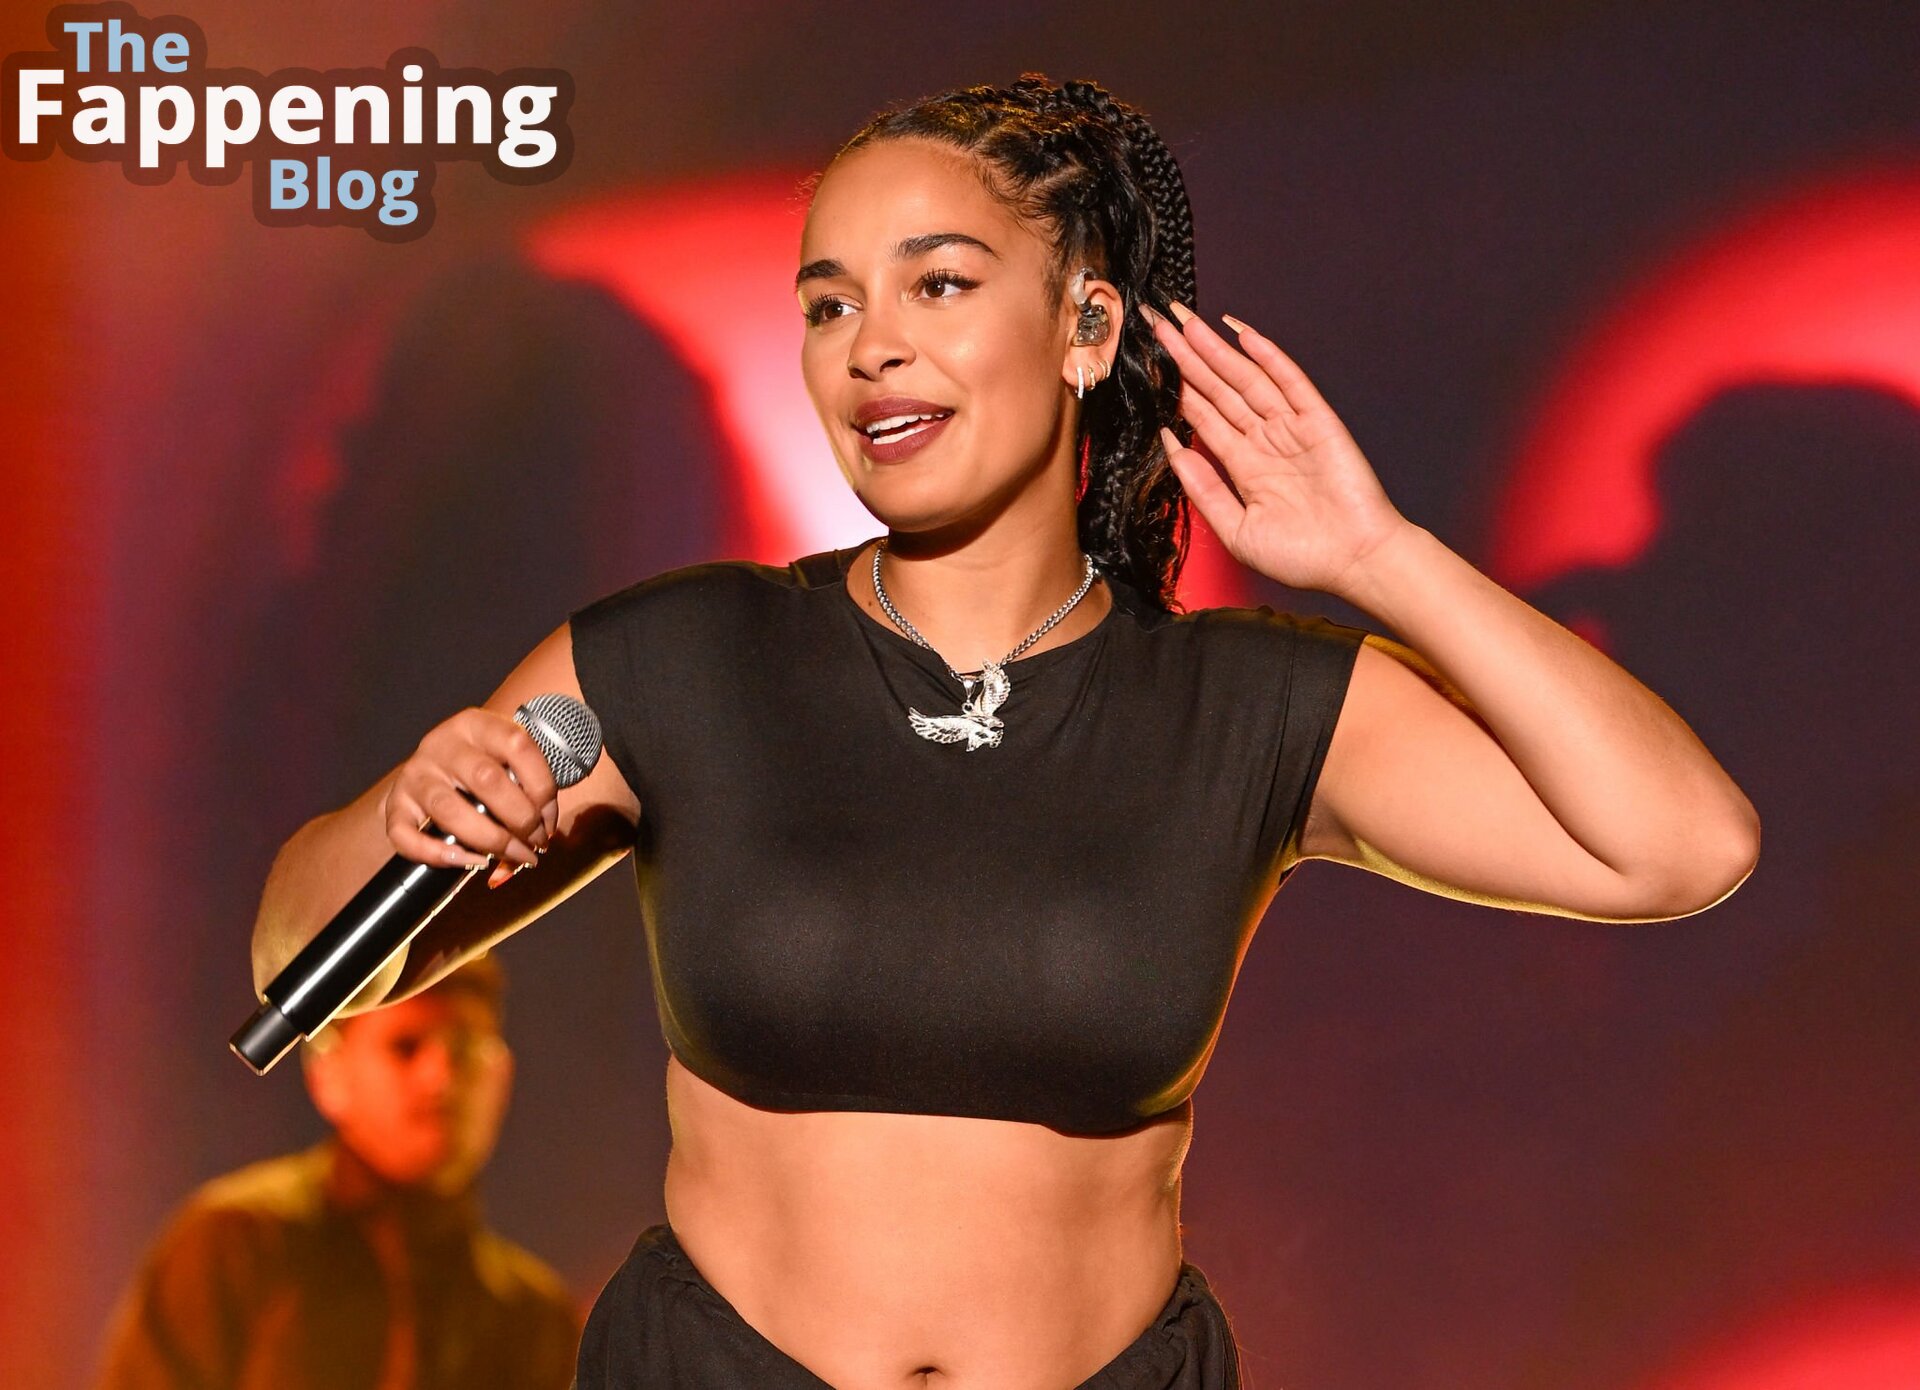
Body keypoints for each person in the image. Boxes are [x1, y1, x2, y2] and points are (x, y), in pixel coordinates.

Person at [246, 73, 1761, 1390]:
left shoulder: (1241, 701)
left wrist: (1379, 556)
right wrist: (403, 814)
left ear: (1087, 325)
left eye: (940, 286)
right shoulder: (684, 655)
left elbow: (1681, 844)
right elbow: (293, 965)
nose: (871, 347)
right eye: (830, 303)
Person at [93, 956, 580, 1390]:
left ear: (503, 1076)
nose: (441, 1078)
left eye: (466, 1049)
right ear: (328, 1075)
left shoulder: (536, 1318)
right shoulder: (238, 1243)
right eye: (405, 1047)